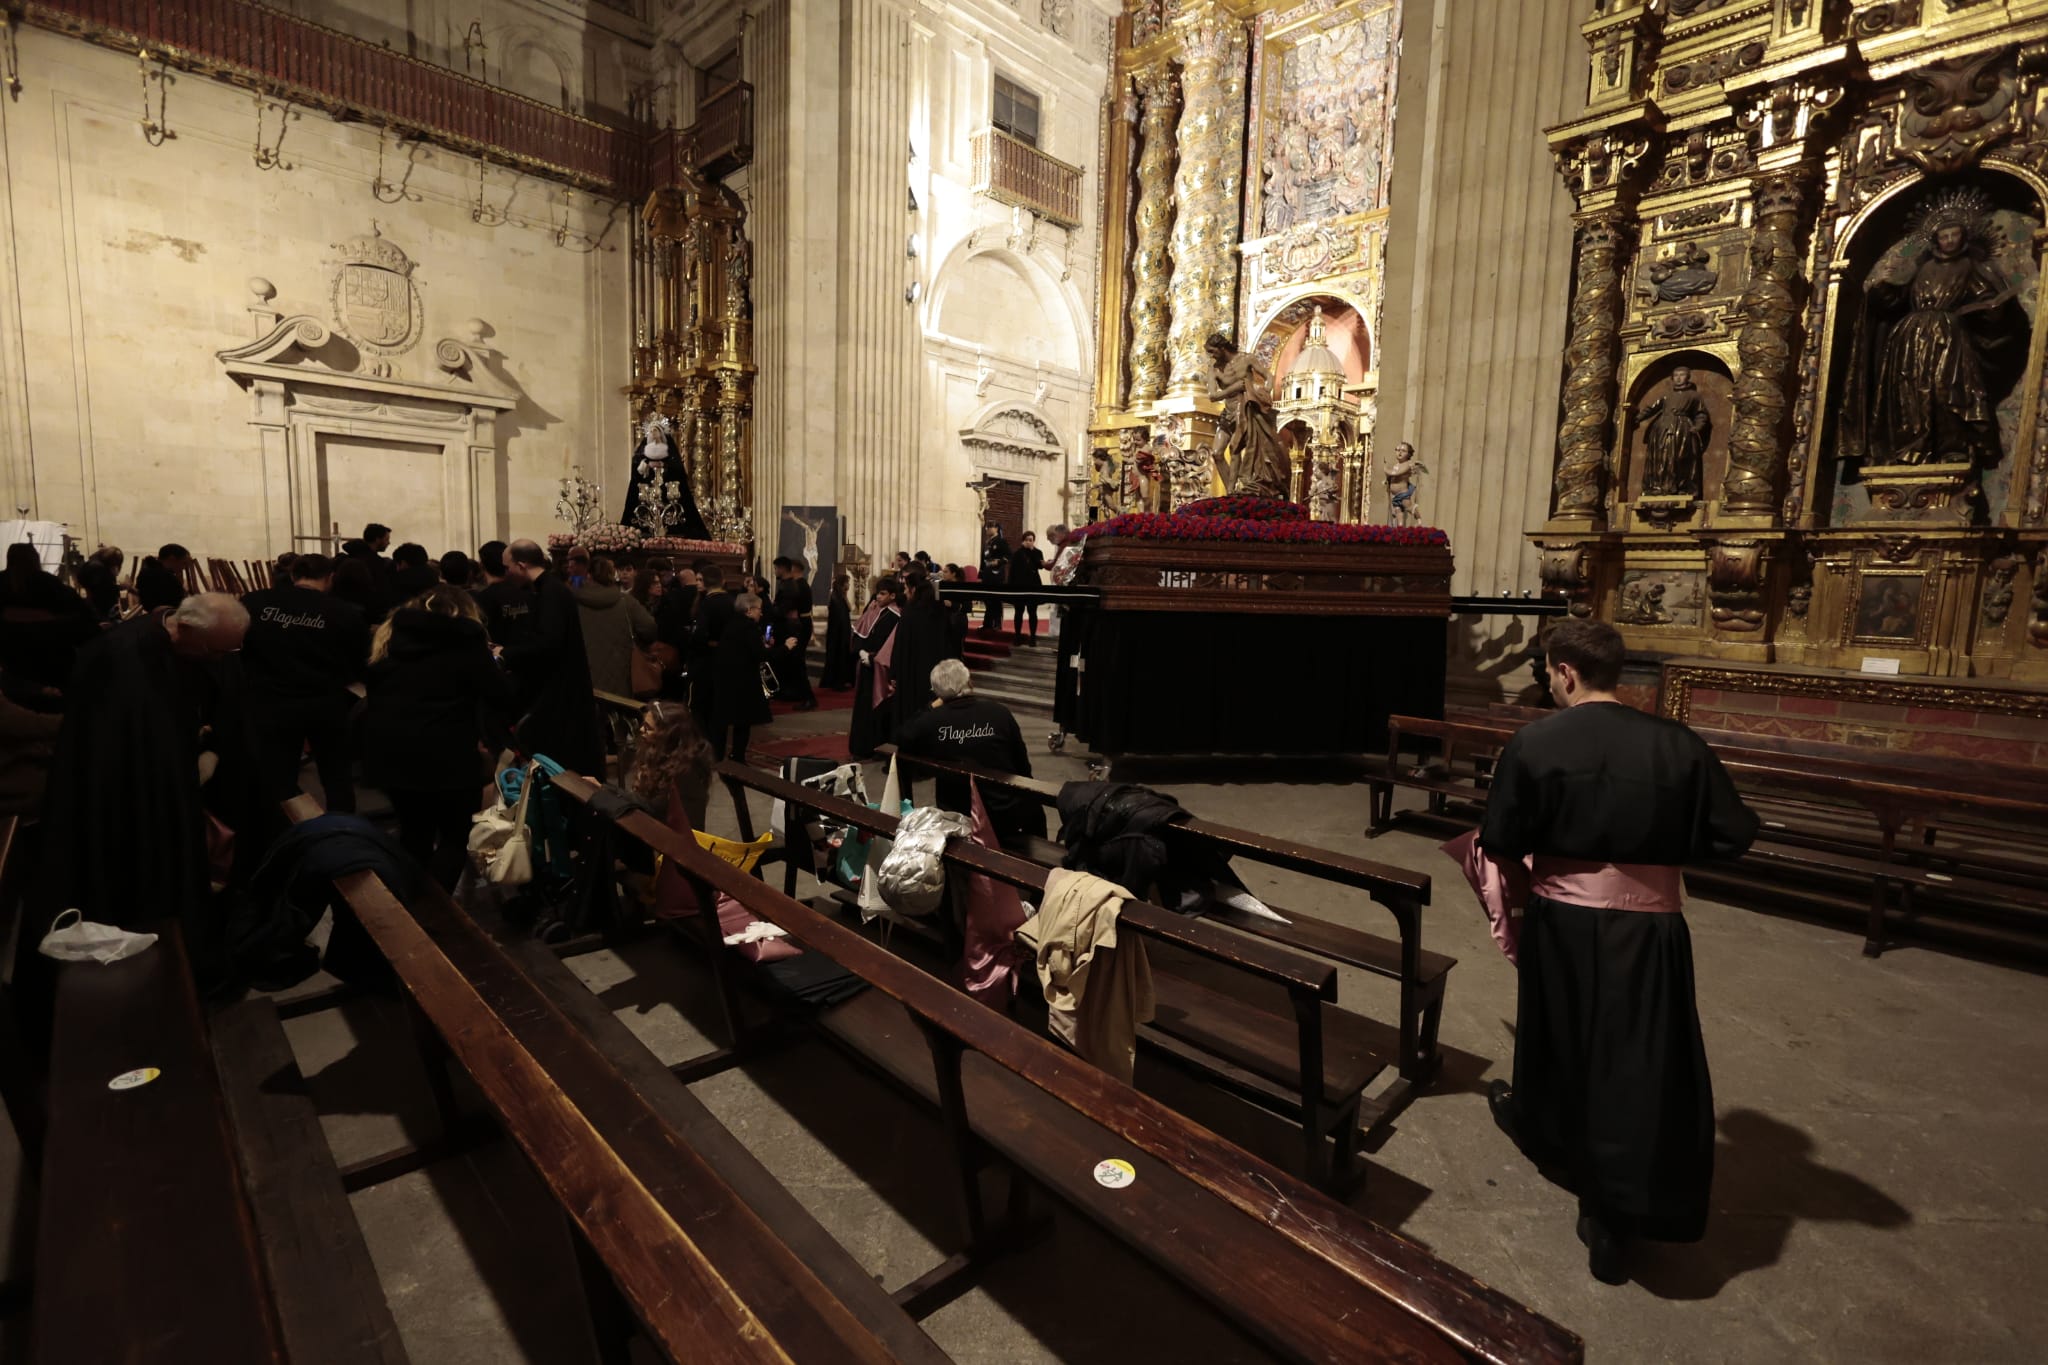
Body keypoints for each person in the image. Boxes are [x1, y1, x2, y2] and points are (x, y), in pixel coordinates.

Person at [1471, 619, 1758, 1285]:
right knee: (1638, 1057)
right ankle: (1609, 1208)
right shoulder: (1677, 742)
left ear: (1565, 671)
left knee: (1561, 1035)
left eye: (1547, 671)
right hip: (1650, 926)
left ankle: (1575, 1167)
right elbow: (1733, 832)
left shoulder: (1535, 740)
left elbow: (1502, 836)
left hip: (1563, 918)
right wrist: (1659, 852)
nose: (1548, 680)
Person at [36, 592, 250, 935]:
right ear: (184, 628)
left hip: (167, 775)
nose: (221, 659)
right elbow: (116, 739)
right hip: (124, 789)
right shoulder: (122, 656)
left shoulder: (190, 646)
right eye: (216, 651)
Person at [358, 584, 511, 889]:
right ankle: (433, 911)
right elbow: (501, 696)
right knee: (455, 836)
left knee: (414, 833)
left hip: (392, 753)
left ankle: (411, 903)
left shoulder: (390, 640)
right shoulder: (468, 642)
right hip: (447, 754)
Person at [240, 553, 369, 812]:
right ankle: (341, 833)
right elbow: (360, 661)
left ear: (292, 575)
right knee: (336, 776)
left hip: (271, 702)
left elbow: (239, 648)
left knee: (278, 776)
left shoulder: (254, 603)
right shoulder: (345, 612)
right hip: (325, 704)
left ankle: (282, 833)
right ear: (330, 578)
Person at [894, 658, 1045, 847]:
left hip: (959, 814)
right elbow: (1022, 764)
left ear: (938, 693)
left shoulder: (932, 720)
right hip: (1006, 811)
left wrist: (931, 706)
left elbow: (901, 736)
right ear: (969, 682)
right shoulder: (999, 713)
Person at [500, 540, 602, 776]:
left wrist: (507, 653)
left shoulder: (551, 592)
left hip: (562, 690)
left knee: (563, 759)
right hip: (560, 685)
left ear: (521, 565)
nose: (506, 574)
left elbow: (548, 643)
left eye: (508, 567)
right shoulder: (548, 589)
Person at [0, 543, 98, 689]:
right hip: (50, 659)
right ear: (35, 559)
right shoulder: (47, 583)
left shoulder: (3, 582)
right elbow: (80, 613)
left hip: (13, 659)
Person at [572, 555, 657, 699]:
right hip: (621, 671)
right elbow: (649, 628)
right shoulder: (625, 601)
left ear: (588, 575)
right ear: (612, 575)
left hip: (581, 674)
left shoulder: (573, 601)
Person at [627, 700, 714, 831]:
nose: (641, 730)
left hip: (678, 841)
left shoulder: (686, 771)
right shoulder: (658, 753)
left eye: (648, 728)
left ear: (668, 734)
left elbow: (653, 808)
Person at [891, 568, 959, 721]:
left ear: (913, 589)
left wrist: (894, 672)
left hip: (911, 670)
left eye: (907, 589)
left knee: (913, 709)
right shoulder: (939, 609)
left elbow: (900, 644)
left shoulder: (910, 612)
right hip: (935, 669)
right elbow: (949, 639)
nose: (906, 593)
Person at [711, 591, 772, 763]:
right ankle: (738, 756)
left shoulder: (731, 624)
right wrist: (785, 648)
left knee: (722, 720)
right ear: (749, 610)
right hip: (743, 681)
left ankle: (717, 755)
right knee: (742, 721)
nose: (761, 612)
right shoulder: (749, 627)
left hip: (725, 678)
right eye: (759, 609)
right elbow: (759, 654)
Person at [848, 576, 901, 758]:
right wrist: (860, 651)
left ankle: (875, 745)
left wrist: (871, 657)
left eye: (883, 594)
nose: (878, 597)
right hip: (865, 665)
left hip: (878, 668)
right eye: (877, 593)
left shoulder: (895, 617)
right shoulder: (873, 610)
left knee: (876, 708)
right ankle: (861, 746)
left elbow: (889, 645)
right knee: (862, 708)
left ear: (893, 595)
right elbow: (861, 634)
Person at [687, 564, 735, 729]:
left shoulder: (708, 603)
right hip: (726, 658)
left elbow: (699, 634)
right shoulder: (731, 601)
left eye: (700, 580)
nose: (697, 583)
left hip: (706, 660)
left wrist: (699, 640)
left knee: (701, 707)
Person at [769, 556, 816, 708]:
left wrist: (771, 609)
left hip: (796, 625)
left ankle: (807, 697)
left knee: (797, 662)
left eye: (776, 568)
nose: (775, 571)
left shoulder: (795, 586)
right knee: (793, 662)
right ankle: (793, 692)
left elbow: (785, 609)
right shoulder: (795, 584)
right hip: (797, 624)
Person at [475, 541, 537, 652]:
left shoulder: (482, 598)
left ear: (482, 565)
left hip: (500, 658)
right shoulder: (528, 593)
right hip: (527, 656)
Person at [1006, 530, 1045, 643]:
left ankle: (1033, 637)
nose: (1028, 542)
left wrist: (1032, 551)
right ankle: (1017, 636)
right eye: (1026, 540)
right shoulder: (1018, 553)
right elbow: (1012, 571)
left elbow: (1039, 566)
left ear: (1034, 541)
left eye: (1031, 540)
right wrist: (1010, 586)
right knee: (1019, 612)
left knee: (1032, 612)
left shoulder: (1038, 552)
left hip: (1033, 586)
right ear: (1023, 541)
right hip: (1019, 586)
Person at [820, 571, 855, 690]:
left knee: (842, 655)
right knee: (838, 655)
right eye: (847, 583)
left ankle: (840, 680)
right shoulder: (834, 596)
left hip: (842, 631)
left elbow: (849, 609)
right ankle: (836, 682)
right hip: (837, 633)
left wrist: (845, 595)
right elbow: (838, 617)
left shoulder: (841, 596)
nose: (849, 585)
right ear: (842, 584)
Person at [135, 542, 194, 612]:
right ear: (172, 559)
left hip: (151, 616)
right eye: (183, 563)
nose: (184, 568)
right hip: (166, 616)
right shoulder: (166, 577)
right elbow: (179, 602)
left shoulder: (145, 572)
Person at [977, 525, 1010, 631]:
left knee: (996, 599)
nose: (987, 529)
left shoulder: (1001, 541)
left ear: (996, 528)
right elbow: (983, 561)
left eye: (990, 527)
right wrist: (980, 575)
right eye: (987, 527)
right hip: (987, 574)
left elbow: (1009, 555)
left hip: (997, 574)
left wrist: (999, 561)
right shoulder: (987, 543)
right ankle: (987, 623)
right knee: (987, 599)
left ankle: (997, 623)